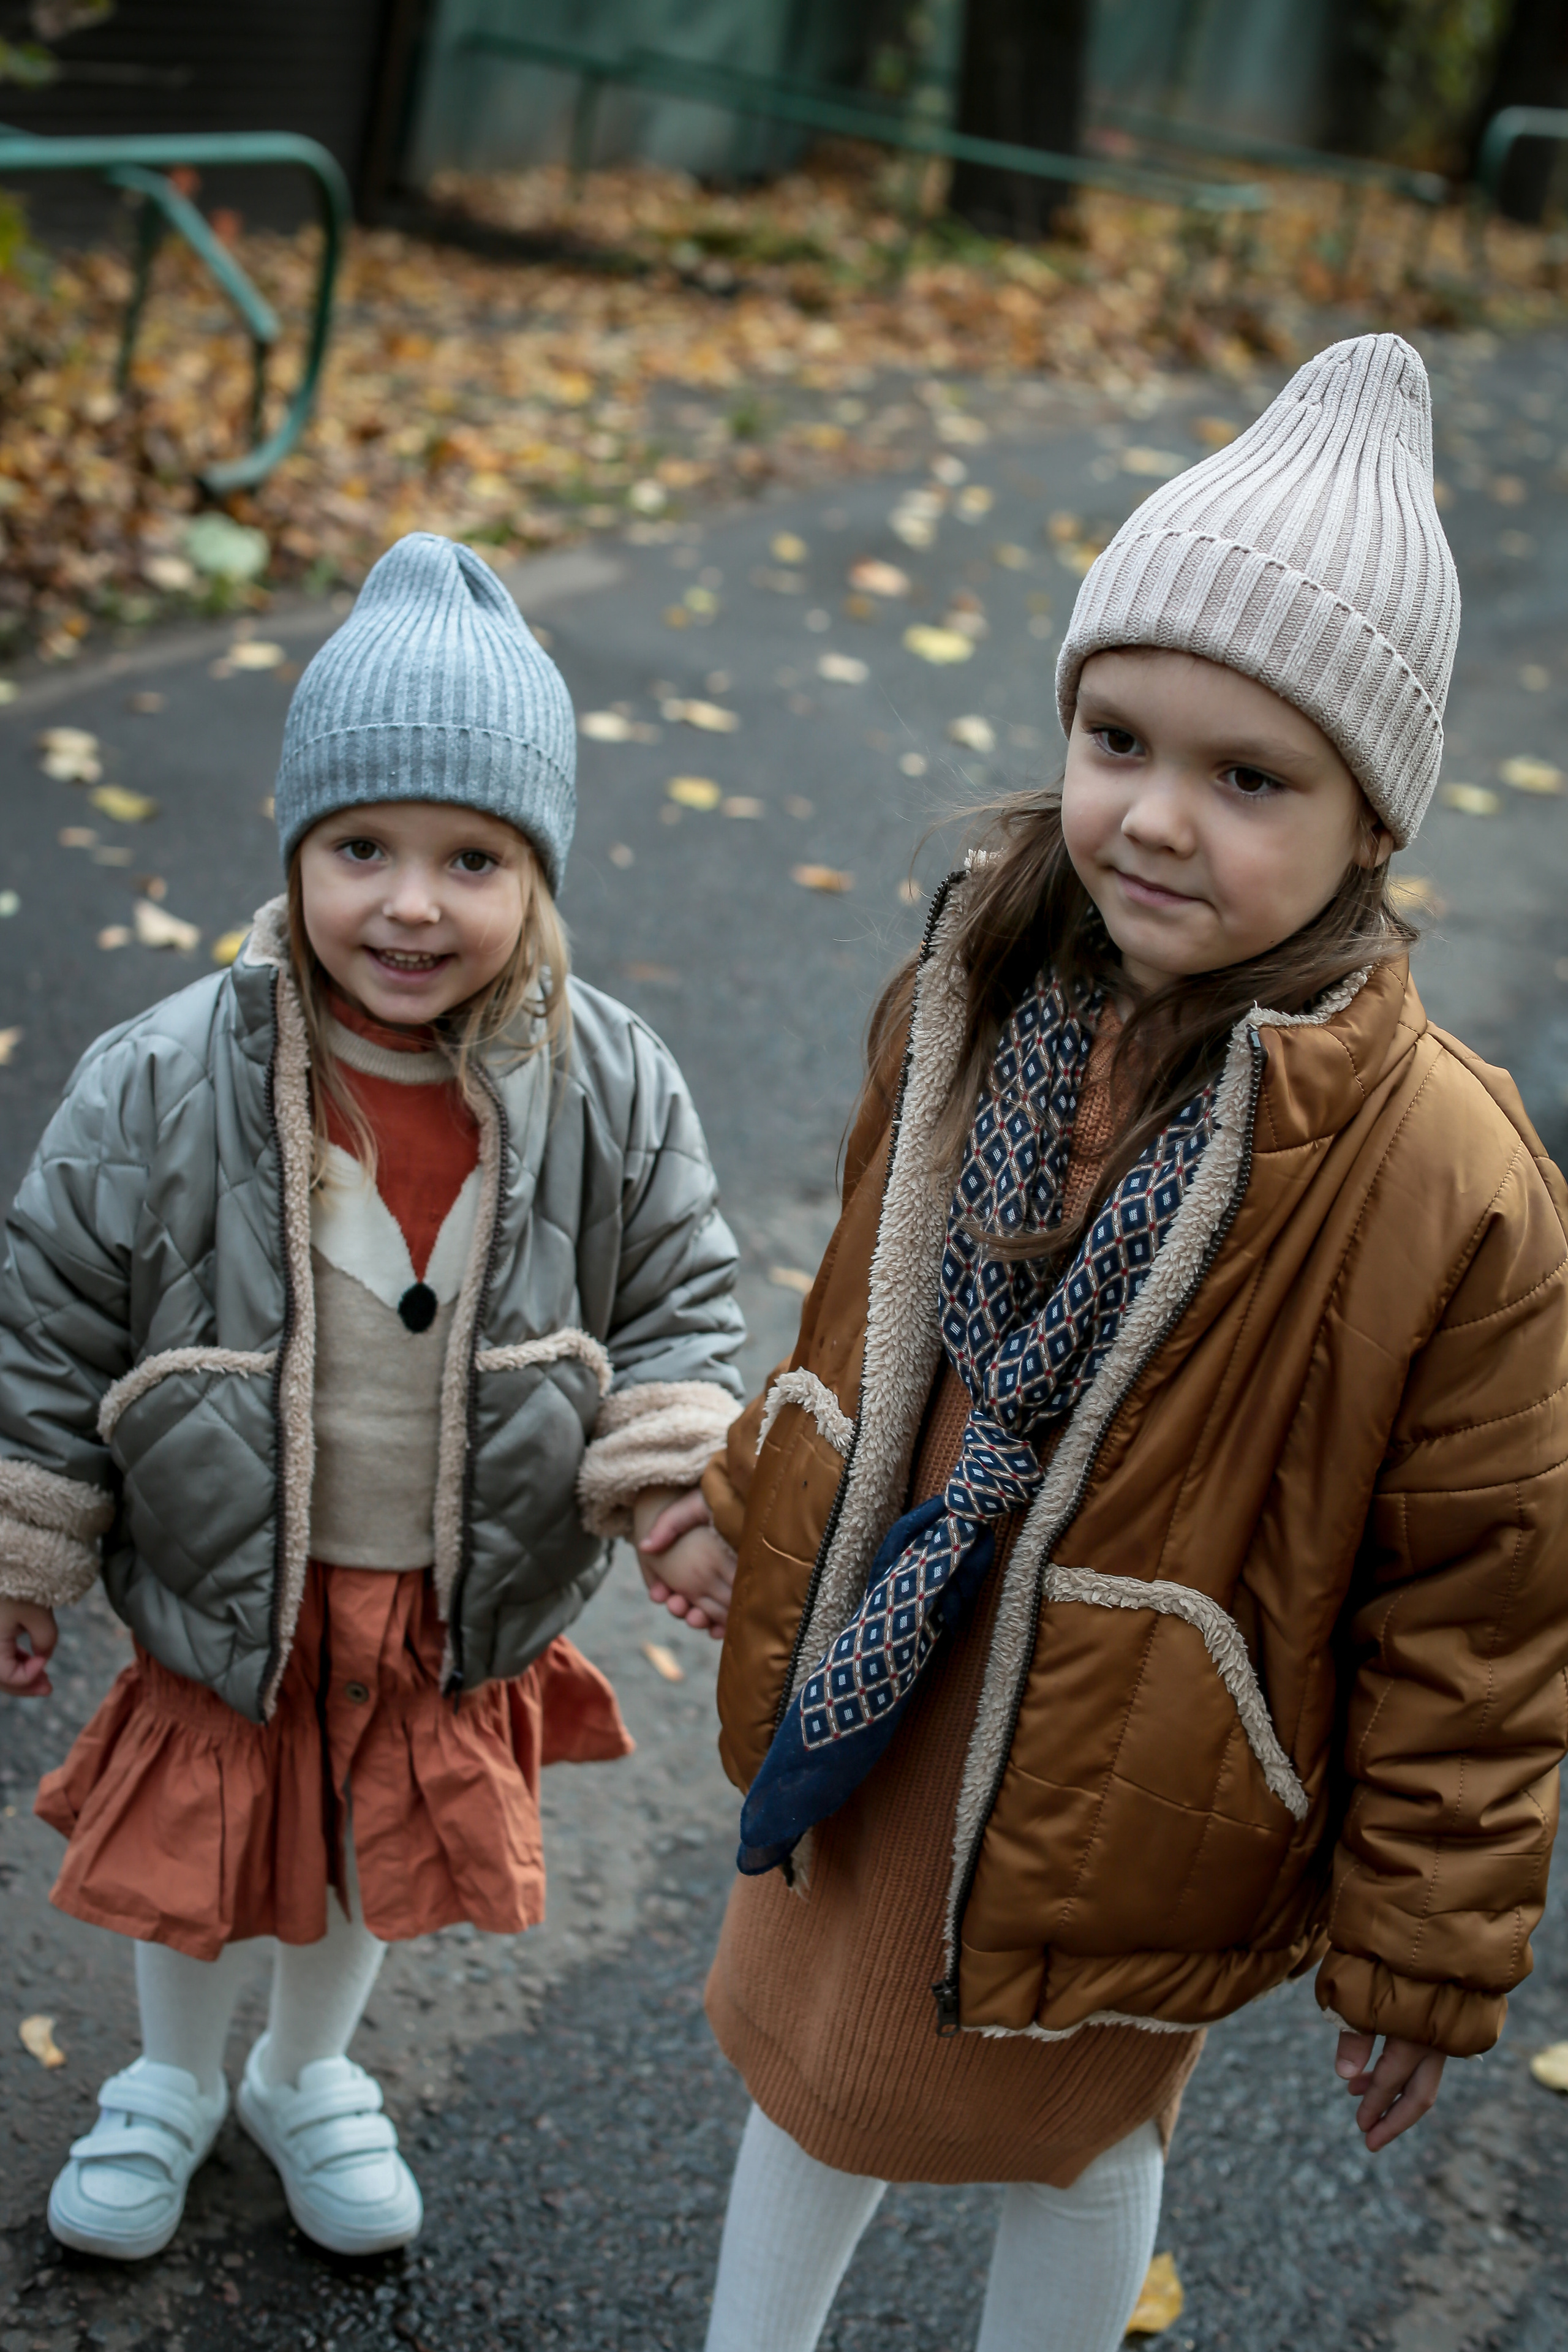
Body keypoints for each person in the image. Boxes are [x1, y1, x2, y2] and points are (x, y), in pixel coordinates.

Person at [675, 334, 1568, 2352]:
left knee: (1077, 2129)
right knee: (813, 2062)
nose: (1156, 818)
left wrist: (1425, 1940)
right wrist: (757, 1494)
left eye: (1249, 777)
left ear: (1371, 827)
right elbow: (862, 1315)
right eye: (1117, 738)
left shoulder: (1453, 1177)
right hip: (896, 1661)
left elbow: (1484, 1597)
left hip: (1138, 1748)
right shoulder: (974, 994)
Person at [0, 533, 743, 2263]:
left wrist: (679, 1493)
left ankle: (305, 2069)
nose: (411, 903)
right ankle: (171, 2082)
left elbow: (680, 1304)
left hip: (442, 1578)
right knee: (201, 1846)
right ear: (298, 853)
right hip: (229, 1568)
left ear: (538, 874)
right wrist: (26, 1543)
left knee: (357, 1850)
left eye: (470, 858)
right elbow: (51, 1312)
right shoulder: (170, 1074)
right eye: (362, 850)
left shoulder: (609, 1082)